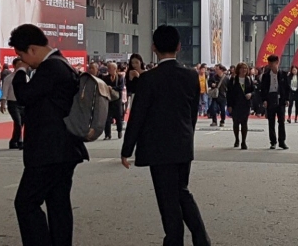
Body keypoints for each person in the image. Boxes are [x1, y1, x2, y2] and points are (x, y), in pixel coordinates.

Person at [121, 25, 211, 246]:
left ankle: (174, 240)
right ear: (179, 47)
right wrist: (187, 135)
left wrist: (127, 149)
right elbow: (192, 114)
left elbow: (137, 116)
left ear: (154, 48)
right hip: (183, 143)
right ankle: (201, 238)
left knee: (167, 199)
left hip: (158, 147)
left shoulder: (148, 79)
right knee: (182, 192)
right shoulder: (191, 76)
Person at [9, 24, 88, 246]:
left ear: (32, 49)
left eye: (22, 55)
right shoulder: (63, 64)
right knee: (58, 204)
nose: (22, 60)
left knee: (26, 203)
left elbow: (24, 96)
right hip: (65, 149)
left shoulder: (50, 67)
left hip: (48, 151)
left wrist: (20, 72)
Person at [260, 55, 289, 150]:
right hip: (270, 98)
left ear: (277, 62)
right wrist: (264, 100)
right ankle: (273, 142)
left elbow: (287, 88)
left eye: (272, 63)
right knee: (271, 121)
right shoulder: (266, 75)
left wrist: (287, 99)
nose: (270, 66)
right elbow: (263, 89)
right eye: (269, 64)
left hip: (280, 99)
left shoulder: (283, 74)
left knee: (281, 121)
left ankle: (282, 141)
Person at [226, 62, 255, 149]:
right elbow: (229, 93)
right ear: (238, 70)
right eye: (242, 68)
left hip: (245, 104)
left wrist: (251, 94)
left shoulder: (249, 79)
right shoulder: (233, 80)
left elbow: (254, 91)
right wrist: (229, 105)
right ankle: (237, 139)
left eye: (245, 68)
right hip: (235, 104)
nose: (244, 70)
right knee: (236, 123)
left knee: (244, 123)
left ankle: (243, 141)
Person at [1, 57, 27, 150]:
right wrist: (3, 103)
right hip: (13, 103)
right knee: (18, 122)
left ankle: (15, 141)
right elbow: (5, 91)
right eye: (19, 64)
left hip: (23, 104)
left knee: (22, 123)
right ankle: (18, 141)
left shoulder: (26, 77)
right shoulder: (9, 78)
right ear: (14, 66)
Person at [102, 62, 125, 140]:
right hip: (108, 100)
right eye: (108, 68)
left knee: (118, 117)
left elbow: (121, 87)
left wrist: (112, 88)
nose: (108, 70)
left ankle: (119, 131)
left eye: (110, 68)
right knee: (107, 118)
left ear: (115, 69)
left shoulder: (120, 77)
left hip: (117, 100)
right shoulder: (105, 78)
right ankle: (107, 134)